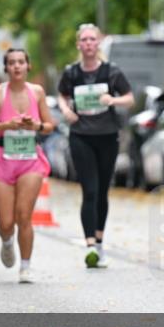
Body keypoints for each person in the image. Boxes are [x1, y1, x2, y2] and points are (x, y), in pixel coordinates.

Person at [57, 24, 134, 268]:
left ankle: (99, 242)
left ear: (98, 43)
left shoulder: (111, 72)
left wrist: (113, 100)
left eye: (92, 39)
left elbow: (130, 98)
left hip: (107, 136)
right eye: (84, 40)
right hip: (81, 135)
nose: (89, 43)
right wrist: (65, 110)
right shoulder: (71, 73)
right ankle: (90, 245)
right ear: (78, 44)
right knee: (89, 190)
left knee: (102, 191)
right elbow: (61, 95)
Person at [0, 49, 54, 283]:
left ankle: (25, 266)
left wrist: (36, 126)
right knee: (6, 223)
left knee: (24, 216)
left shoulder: (37, 92)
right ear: (6, 68)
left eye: (21, 62)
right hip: (3, 159)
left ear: (28, 66)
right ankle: (6, 239)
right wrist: (6, 125)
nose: (17, 66)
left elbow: (50, 125)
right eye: (12, 63)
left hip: (30, 159)